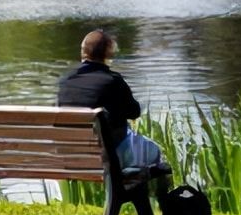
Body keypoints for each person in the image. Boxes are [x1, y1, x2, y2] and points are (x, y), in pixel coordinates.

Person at [57, 29, 164, 172]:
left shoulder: (65, 80)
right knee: (152, 151)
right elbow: (134, 112)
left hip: (70, 153)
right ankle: (140, 194)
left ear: (83, 53)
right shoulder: (112, 80)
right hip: (106, 155)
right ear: (108, 55)